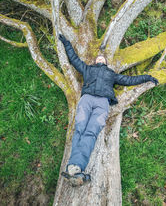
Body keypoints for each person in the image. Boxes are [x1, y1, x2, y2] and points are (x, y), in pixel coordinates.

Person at [59, 34, 159, 186]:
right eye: (98, 58)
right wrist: (66, 43)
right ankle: (75, 169)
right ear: (94, 61)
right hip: (86, 100)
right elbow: (74, 60)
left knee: (91, 132)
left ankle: (75, 167)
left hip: (102, 103)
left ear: (106, 63)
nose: (100, 58)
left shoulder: (111, 75)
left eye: (102, 58)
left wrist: (147, 77)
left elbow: (129, 80)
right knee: (79, 129)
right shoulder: (87, 69)